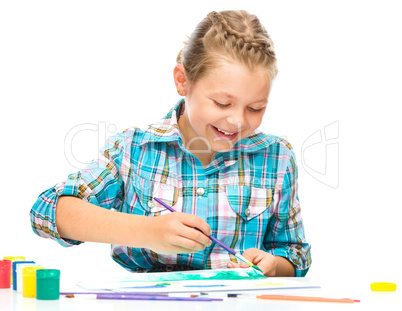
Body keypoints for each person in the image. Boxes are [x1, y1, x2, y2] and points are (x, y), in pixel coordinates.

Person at [30, 10, 311, 277]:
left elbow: (296, 254)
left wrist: (274, 264)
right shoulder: (134, 150)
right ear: (182, 81)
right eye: (222, 103)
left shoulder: (276, 157)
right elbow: (47, 211)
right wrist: (147, 231)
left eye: (255, 108)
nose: (237, 120)